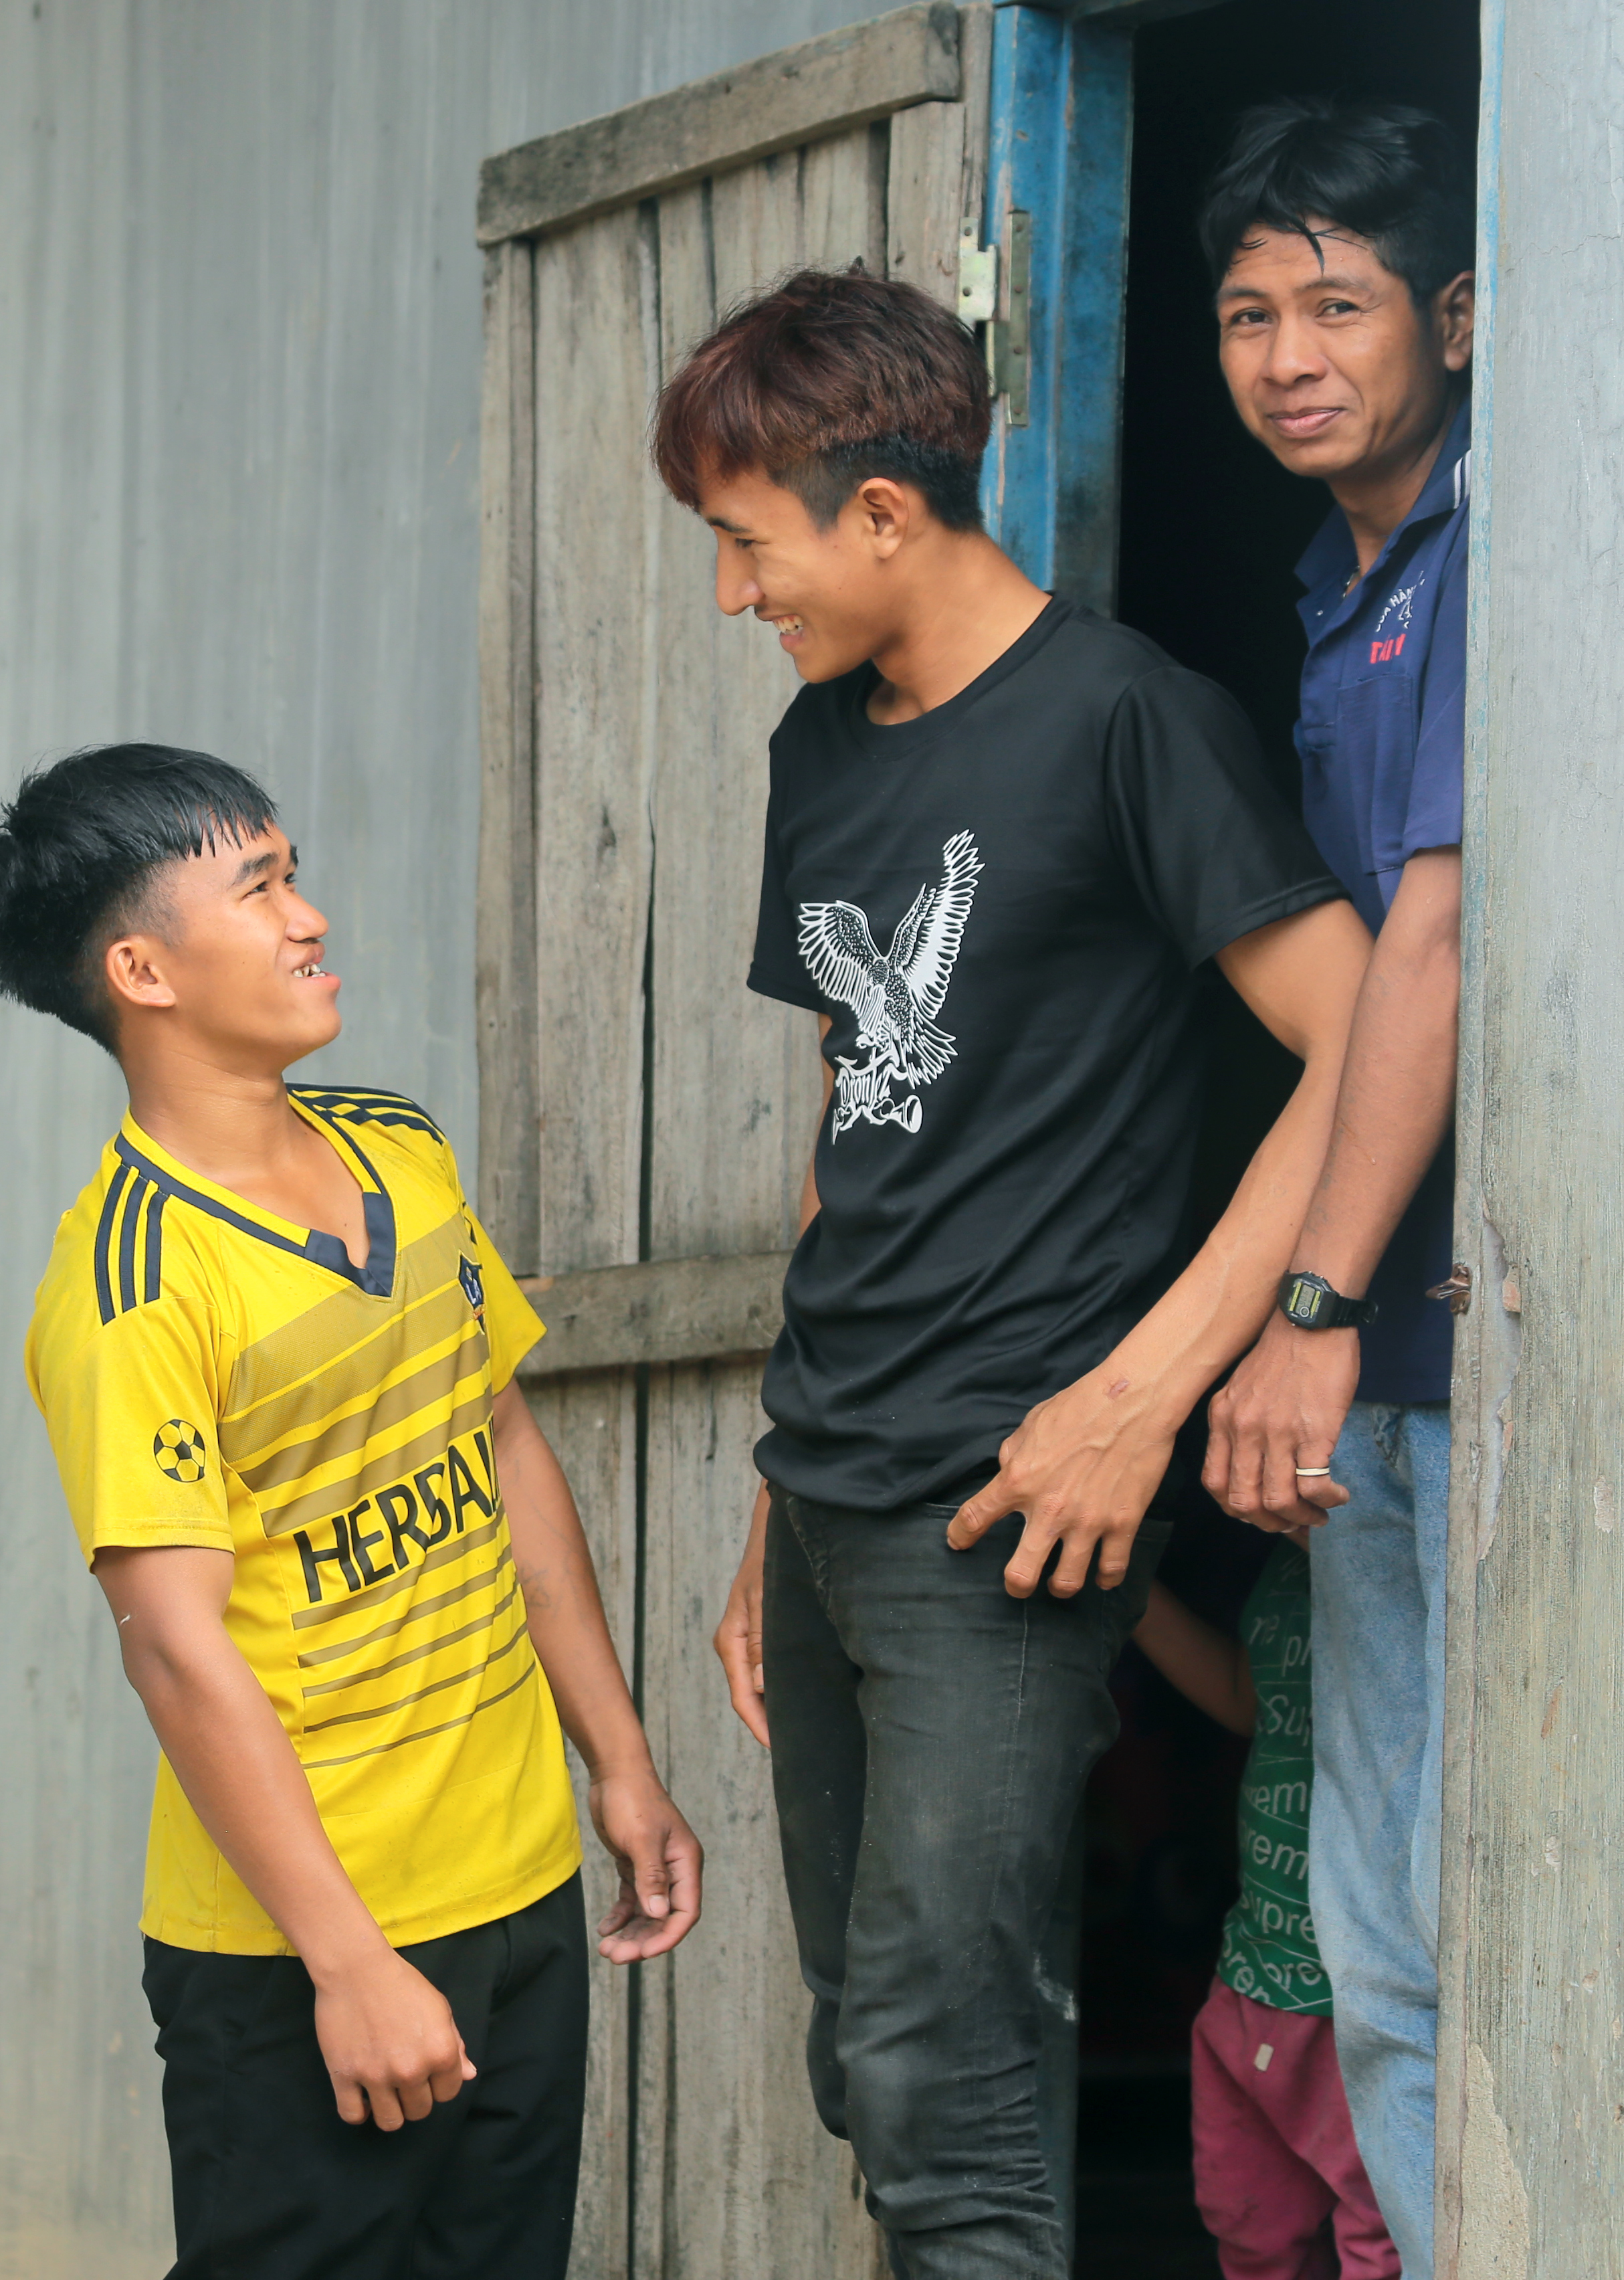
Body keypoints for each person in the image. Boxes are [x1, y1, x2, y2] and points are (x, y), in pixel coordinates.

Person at [648, 268, 1373, 2276]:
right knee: (863, 2064)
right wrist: (765, 1505)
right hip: (838, 1481)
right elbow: (848, 1126)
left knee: (944, 2074)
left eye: (743, 543)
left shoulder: (1133, 719)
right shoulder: (825, 746)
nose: (733, 599)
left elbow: (1365, 1029)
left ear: (883, 511)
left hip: (1013, 1490)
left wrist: (1140, 1396)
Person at [0, 744, 701, 2280]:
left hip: (514, 1879)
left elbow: (497, 1448)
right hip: (303, 1941)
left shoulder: (397, 1146)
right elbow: (174, 1651)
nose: (311, 916)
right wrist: (347, 1962)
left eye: (294, 870)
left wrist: (616, 1760)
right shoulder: (132, 1285)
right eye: (262, 885)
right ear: (141, 966)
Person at [1194, 102, 1475, 2279]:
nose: (1290, 353)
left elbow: (1430, 945)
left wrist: (1308, 1309)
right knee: (1383, 1937)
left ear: (1453, 320)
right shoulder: (1338, 582)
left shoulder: (1490, 557)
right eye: (1249, 312)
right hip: (1397, 1339)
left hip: (1457, 1329)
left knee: (1453, 1920)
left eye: (1339, 303)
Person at [1135, 1555, 1401, 2279]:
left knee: (1382, 2243)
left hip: (1356, 1999)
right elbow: (1251, 1699)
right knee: (1249, 2228)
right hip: (1253, 1976)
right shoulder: (1284, 1564)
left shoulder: (1404, 1548)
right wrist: (1125, 1580)